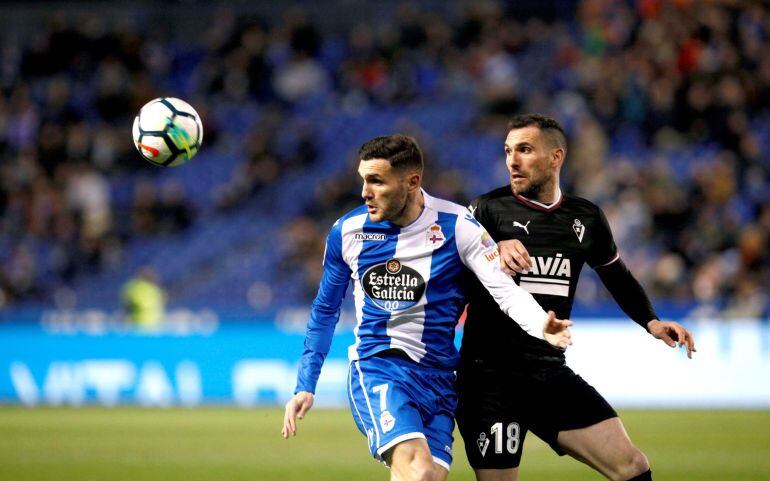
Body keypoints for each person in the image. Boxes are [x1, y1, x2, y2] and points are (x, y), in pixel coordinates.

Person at [281, 134, 573, 481]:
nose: (364, 192)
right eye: (363, 179)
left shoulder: (458, 226)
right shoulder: (348, 231)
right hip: (379, 369)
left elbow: (503, 290)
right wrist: (305, 383)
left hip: (439, 380)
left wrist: (542, 324)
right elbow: (325, 311)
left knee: (425, 477)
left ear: (412, 182)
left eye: (376, 181)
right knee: (418, 471)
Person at [457, 114, 697, 481]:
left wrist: (651, 320)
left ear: (556, 157)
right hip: (488, 378)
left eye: (524, 149)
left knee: (632, 466)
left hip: (547, 372)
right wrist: (493, 246)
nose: (512, 160)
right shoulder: (485, 211)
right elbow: (455, 268)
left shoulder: (586, 217)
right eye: (508, 151)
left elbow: (616, 275)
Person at [121, 265, 166, 330]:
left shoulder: (134, 288)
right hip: (156, 326)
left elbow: (128, 306)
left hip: (139, 325)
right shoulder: (156, 290)